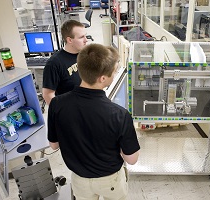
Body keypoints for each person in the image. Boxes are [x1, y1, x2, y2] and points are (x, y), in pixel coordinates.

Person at [47, 43, 140, 200]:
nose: (115, 74)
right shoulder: (119, 115)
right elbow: (131, 159)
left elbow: (54, 145)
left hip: (79, 180)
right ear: (102, 78)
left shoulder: (57, 104)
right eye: (114, 72)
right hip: (110, 181)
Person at [42, 19, 88, 105]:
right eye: (81, 37)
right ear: (69, 40)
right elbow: (48, 94)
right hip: (71, 111)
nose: (86, 40)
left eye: (85, 36)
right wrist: (61, 113)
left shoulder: (84, 54)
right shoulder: (54, 63)